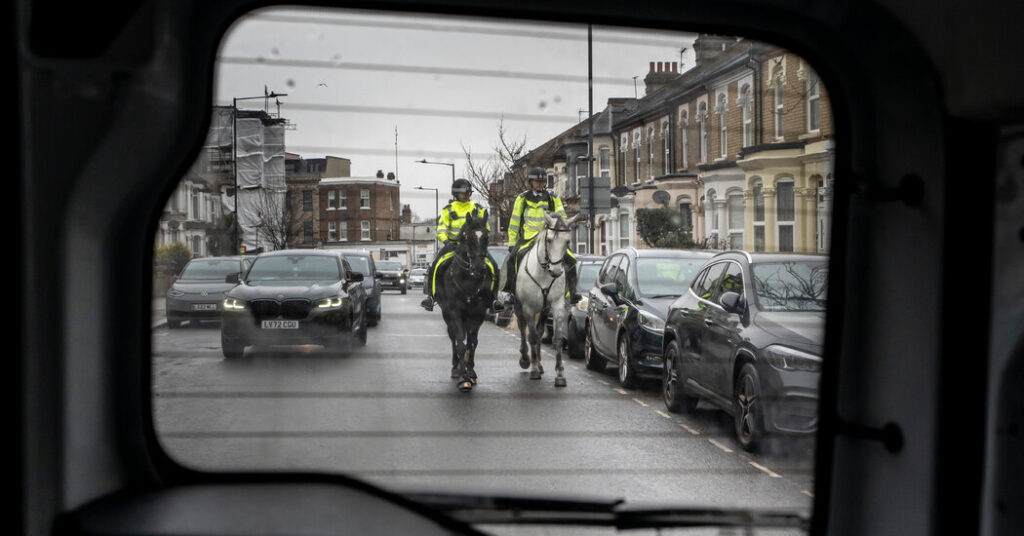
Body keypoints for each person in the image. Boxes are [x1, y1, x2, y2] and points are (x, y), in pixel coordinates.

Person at [494, 166, 579, 310]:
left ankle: (572, 292)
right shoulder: (522, 199)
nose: (540, 184)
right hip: (529, 237)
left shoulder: (553, 198)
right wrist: (512, 243)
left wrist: (557, 222)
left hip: (549, 237)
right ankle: (509, 292)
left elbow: (562, 217)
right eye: (536, 182)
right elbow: (514, 223)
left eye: (542, 182)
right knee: (513, 258)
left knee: (570, 259)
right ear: (531, 182)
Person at [420, 178, 497, 311]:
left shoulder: (477, 209)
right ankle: (431, 297)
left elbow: (486, 227)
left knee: (493, 266)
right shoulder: (448, 210)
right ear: (456, 194)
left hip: (474, 247)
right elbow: (442, 229)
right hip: (453, 246)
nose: (467, 196)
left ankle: (494, 299)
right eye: (464, 193)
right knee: (435, 265)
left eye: (468, 193)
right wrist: (446, 241)